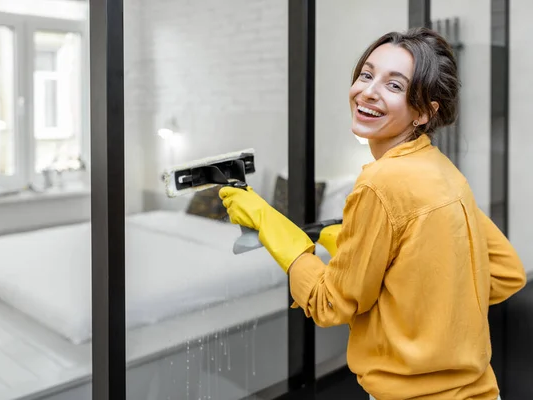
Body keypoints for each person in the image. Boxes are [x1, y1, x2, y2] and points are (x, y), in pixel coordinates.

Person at [219, 27, 526, 400]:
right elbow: (508, 273)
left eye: (394, 86)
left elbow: (329, 303)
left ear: (425, 112)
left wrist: (269, 224)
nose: (368, 91)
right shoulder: (445, 172)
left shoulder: (379, 185)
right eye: (367, 74)